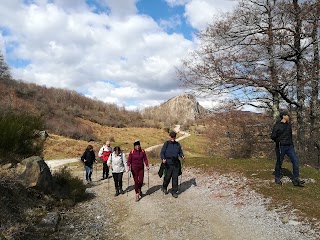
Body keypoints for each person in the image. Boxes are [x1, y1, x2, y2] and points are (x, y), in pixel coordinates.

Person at [271, 110, 305, 186]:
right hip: (281, 146)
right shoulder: (277, 125)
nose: (288, 117)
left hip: (289, 146)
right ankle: (277, 177)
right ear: (283, 116)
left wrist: (291, 144)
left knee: (295, 161)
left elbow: (290, 135)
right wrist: (278, 141)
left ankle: (296, 179)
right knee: (279, 162)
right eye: (287, 115)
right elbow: (272, 136)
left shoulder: (288, 125)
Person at [160, 131, 185, 198]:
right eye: (172, 137)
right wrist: (163, 159)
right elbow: (162, 153)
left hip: (175, 163)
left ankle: (174, 191)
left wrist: (182, 156)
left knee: (175, 178)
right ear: (169, 136)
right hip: (168, 163)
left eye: (174, 137)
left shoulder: (177, 144)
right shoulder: (166, 144)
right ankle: (164, 187)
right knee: (167, 177)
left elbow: (180, 152)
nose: (173, 138)